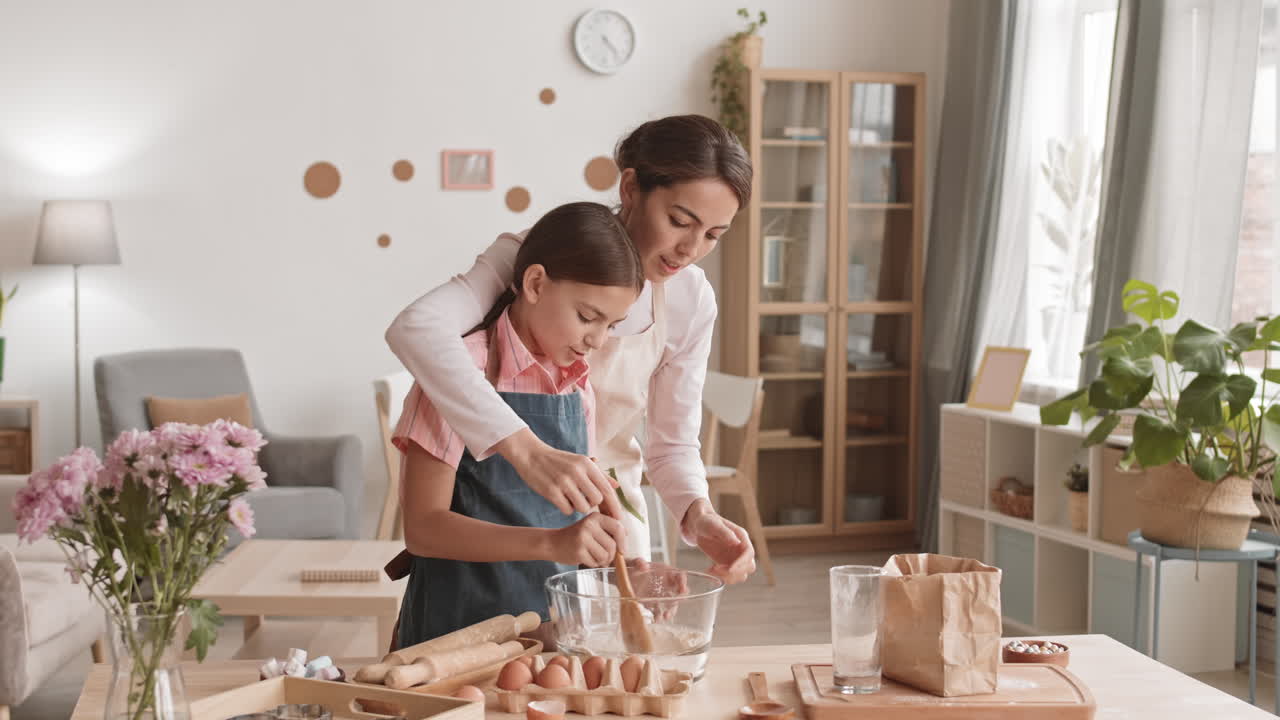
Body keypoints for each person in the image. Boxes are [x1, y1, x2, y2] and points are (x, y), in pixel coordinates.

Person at [387, 114, 757, 584]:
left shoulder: (690, 299)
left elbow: (670, 445)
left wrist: (699, 514)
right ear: (630, 187)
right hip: (497, 520)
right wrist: (525, 449)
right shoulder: (536, 255)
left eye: (712, 236)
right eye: (679, 221)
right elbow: (417, 327)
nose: (690, 249)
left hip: (605, 527)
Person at [392, 202, 641, 645]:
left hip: (552, 636)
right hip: (453, 635)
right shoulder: (458, 372)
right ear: (535, 283)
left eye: (612, 325)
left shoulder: (576, 385)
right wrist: (552, 544)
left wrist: (616, 571)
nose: (597, 340)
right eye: (587, 316)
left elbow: (574, 530)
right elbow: (423, 529)